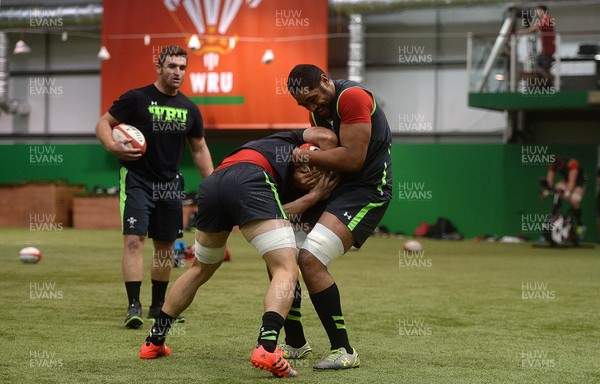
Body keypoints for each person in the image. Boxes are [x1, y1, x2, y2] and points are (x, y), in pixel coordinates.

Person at [139, 127, 339, 379]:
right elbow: (329, 138)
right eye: (306, 166)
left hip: (214, 183)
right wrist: (322, 171)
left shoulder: (272, 160)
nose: (308, 173)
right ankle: (267, 347)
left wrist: (313, 193)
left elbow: (274, 209)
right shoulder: (292, 140)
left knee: (200, 268)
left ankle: (154, 341)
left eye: (313, 173)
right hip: (249, 178)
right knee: (286, 268)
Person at [280, 64, 393, 369]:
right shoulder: (319, 112)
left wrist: (302, 156)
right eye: (304, 104)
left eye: (313, 98)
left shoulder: (352, 97)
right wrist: (309, 178)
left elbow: (352, 159)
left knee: (310, 259)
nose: (311, 107)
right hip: (337, 188)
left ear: (326, 81)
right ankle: (295, 342)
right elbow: (331, 160)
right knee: (280, 252)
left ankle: (344, 350)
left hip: (367, 192)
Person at [95, 45, 214, 329]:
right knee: (134, 241)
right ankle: (133, 304)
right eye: (172, 66)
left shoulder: (189, 108)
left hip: (170, 184)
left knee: (165, 247)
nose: (178, 72)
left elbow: (199, 149)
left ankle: (158, 306)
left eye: (182, 68)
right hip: (137, 179)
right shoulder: (137, 99)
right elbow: (104, 122)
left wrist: (213, 185)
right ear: (159, 67)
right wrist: (112, 146)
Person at [542, 156, 587, 237]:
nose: (558, 170)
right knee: (557, 189)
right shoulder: (553, 164)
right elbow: (550, 179)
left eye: (558, 169)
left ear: (561, 164)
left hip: (579, 183)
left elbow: (572, 181)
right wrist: (546, 191)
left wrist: (568, 193)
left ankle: (581, 225)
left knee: (574, 200)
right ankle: (555, 215)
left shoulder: (572, 164)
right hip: (566, 181)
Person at [517, 5, 555, 85]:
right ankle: (547, 83)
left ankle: (550, 84)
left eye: (538, 11)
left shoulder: (546, 19)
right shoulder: (545, 20)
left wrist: (521, 32)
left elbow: (535, 28)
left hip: (548, 48)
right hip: (545, 48)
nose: (537, 13)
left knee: (545, 68)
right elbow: (537, 29)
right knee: (541, 66)